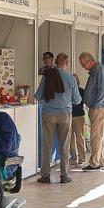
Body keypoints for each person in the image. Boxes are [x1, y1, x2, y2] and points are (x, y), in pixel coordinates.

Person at [36, 53, 81, 184]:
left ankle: (45, 175)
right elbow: (77, 100)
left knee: (47, 145)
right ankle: (64, 175)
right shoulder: (71, 78)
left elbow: (38, 96)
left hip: (48, 114)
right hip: (65, 115)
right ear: (66, 63)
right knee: (64, 146)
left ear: (55, 62)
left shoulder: (47, 76)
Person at [79, 52, 104, 171]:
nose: (83, 67)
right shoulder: (95, 71)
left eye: (83, 64)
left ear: (89, 62)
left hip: (100, 108)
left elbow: (103, 90)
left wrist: (96, 106)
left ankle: (94, 163)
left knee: (95, 136)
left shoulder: (100, 71)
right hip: (98, 107)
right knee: (100, 136)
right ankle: (102, 160)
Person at [69, 75, 87, 167]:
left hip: (78, 116)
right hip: (70, 116)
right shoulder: (68, 91)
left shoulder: (81, 91)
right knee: (71, 138)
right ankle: (73, 158)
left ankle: (81, 158)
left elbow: (83, 102)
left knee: (79, 138)